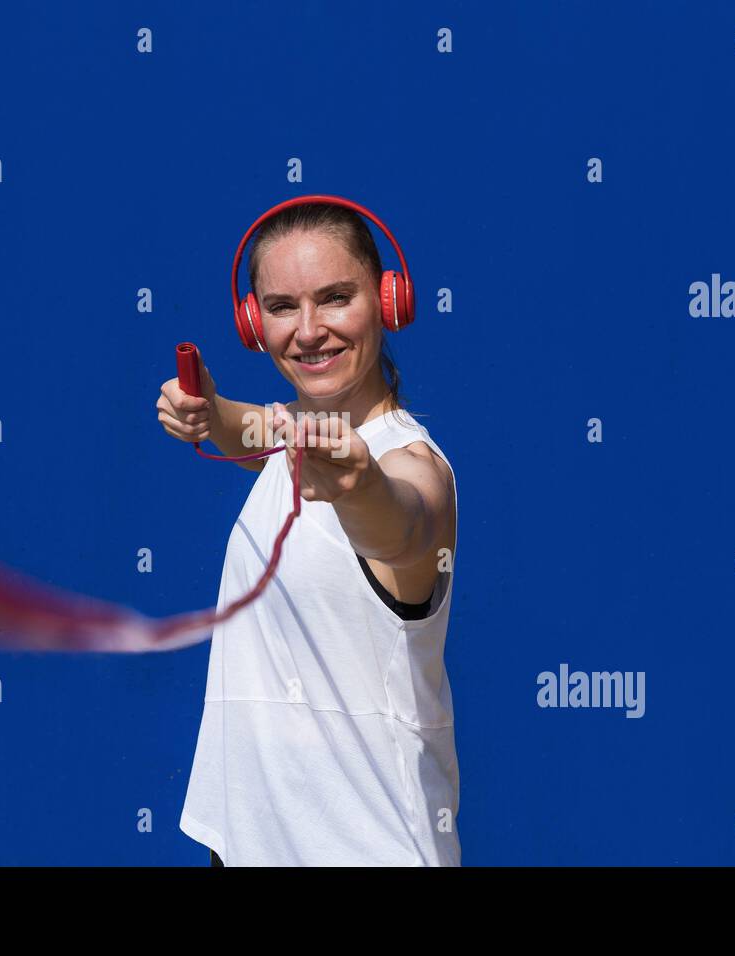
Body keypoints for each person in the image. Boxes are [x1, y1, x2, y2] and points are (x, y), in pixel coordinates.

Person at [156, 201, 460, 866]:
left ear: (388, 301)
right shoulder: (293, 430)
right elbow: (255, 427)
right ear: (252, 323)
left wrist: (361, 488)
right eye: (283, 307)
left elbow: (405, 526)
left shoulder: (412, 465)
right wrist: (209, 410)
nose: (310, 330)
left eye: (335, 298)